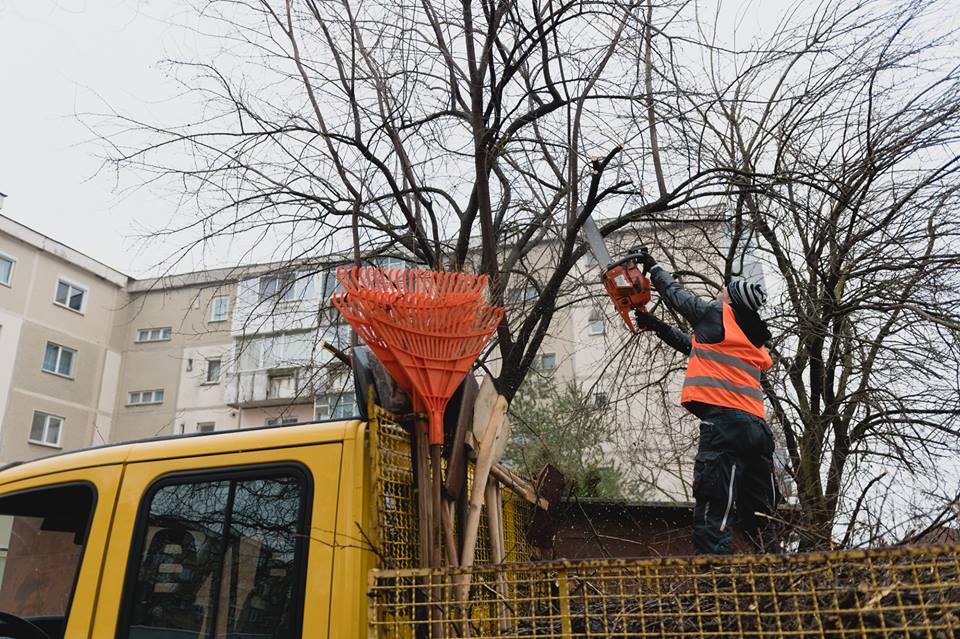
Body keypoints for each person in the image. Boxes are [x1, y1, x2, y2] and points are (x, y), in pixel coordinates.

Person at [635, 253, 780, 554]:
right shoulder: (749, 338)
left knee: (714, 510)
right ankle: (776, 573)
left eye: (723, 290)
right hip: (757, 432)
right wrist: (658, 326)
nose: (718, 293)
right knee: (760, 516)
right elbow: (694, 347)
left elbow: (678, 297)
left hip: (726, 427)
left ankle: (717, 578)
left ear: (731, 301)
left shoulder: (718, 314)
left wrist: (654, 268)